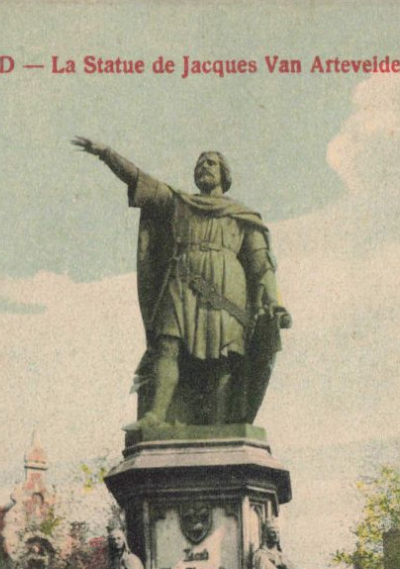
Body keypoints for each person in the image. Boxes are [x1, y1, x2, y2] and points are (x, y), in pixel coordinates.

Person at [72, 140, 290, 429]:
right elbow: (139, 179)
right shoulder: (179, 203)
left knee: (223, 357)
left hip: (227, 291)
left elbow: (261, 263)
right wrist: (106, 154)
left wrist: (273, 302)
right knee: (167, 345)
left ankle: (219, 424)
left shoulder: (242, 216)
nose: (203, 166)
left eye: (210, 162)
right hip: (182, 282)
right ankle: (156, 415)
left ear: (225, 174)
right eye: (199, 162)